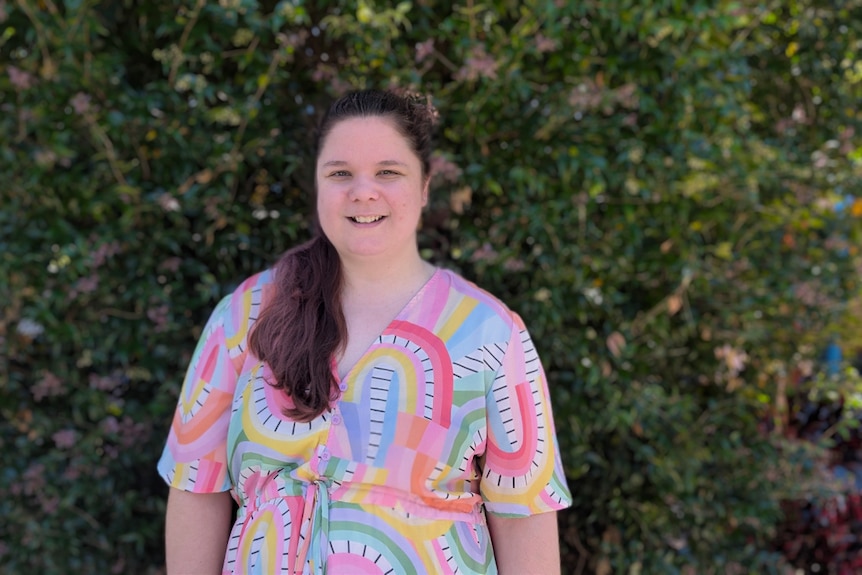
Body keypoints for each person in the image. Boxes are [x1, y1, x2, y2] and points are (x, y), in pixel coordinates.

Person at [158, 89, 572, 575]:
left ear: (424, 186)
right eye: (340, 173)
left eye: (387, 172)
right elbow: (195, 489)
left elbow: (524, 518)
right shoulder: (244, 316)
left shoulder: (490, 334)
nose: (363, 191)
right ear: (317, 185)